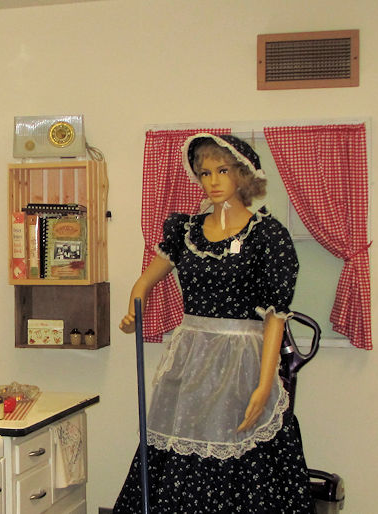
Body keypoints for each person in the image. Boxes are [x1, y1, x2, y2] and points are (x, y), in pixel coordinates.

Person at [112, 133, 312, 513]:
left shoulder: (268, 235)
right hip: (190, 360)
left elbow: (275, 316)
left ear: (243, 174)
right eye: (205, 173)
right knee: (177, 449)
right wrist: (134, 310)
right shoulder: (184, 231)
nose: (213, 181)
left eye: (222, 170)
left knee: (242, 452)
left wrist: (265, 383)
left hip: (241, 362)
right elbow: (144, 282)